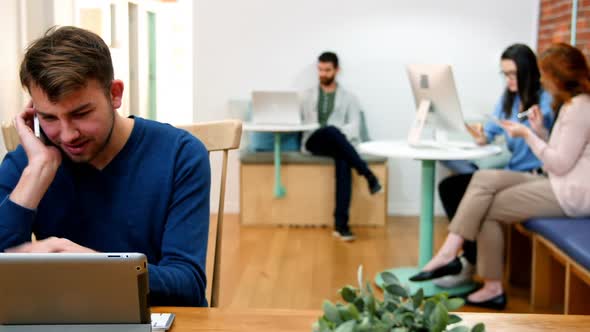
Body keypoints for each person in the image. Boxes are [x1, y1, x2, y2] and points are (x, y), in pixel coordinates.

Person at [0, 26, 211, 306]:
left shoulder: (180, 154)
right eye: (49, 118)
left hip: (154, 316)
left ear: (114, 94)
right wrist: (37, 171)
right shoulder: (30, 163)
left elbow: (188, 285)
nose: (67, 135)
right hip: (65, 317)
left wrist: (96, 265)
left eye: (81, 113)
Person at [409, 43, 590, 310]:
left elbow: (559, 165)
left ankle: (472, 271)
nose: (540, 80)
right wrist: (539, 131)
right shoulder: (570, 106)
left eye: (544, 74)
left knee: (483, 206)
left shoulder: (578, 109)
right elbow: (559, 156)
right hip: (558, 182)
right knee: (483, 181)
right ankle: (453, 255)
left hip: (570, 193)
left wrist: (528, 134)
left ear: (558, 77)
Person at [435, 44, 554, 288]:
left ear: (528, 71)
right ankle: (468, 258)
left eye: (513, 74)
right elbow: (488, 134)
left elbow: (556, 146)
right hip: (512, 173)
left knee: (471, 193)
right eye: (505, 74)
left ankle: (465, 261)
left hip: (536, 177)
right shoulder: (508, 99)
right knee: (450, 187)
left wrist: (539, 130)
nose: (509, 80)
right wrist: (479, 135)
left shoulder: (546, 100)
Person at [301, 51, 381, 241]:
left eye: (327, 70)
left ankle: (341, 225)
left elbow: (354, 126)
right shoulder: (307, 96)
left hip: (337, 142)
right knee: (330, 131)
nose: (323, 74)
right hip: (314, 141)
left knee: (342, 158)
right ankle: (367, 174)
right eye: (320, 70)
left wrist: (336, 134)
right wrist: (333, 132)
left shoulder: (349, 97)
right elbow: (301, 123)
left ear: (337, 70)